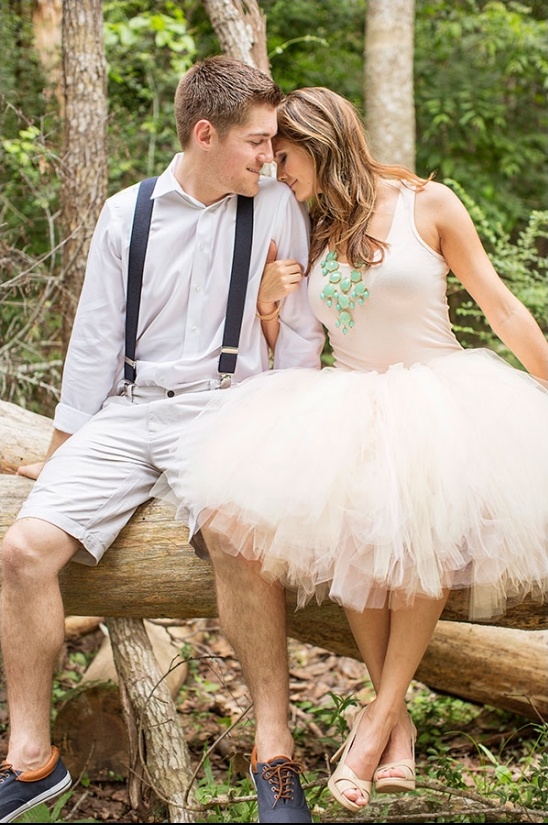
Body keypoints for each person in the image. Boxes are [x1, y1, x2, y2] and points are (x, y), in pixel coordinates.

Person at [155, 87, 548, 814]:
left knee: (422, 531)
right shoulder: (310, 226)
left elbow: (500, 304)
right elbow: (295, 343)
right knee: (360, 553)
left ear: (322, 139)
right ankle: (394, 725)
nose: (276, 168)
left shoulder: (429, 204)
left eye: (285, 154)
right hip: (348, 401)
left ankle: (373, 723)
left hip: (439, 398)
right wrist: (271, 305)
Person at [0, 58, 326, 825]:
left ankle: (273, 755)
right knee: (20, 551)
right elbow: (91, 348)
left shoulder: (277, 206)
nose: (268, 155)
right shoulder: (128, 212)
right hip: (127, 410)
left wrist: (283, 430)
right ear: (204, 133)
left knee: (235, 534)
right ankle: (31, 760)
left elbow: (303, 336)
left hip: (227, 406)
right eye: (256, 141)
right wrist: (57, 462)